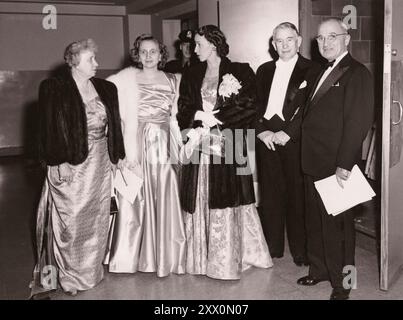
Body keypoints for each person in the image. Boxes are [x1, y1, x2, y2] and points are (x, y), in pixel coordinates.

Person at [30, 39, 125, 298]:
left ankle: (91, 271)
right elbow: (48, 128)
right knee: (70, 220)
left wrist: (118, 155)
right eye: (90, 59)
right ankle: (70, 276)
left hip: (101, 162)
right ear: (73, 62)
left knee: (96, 218)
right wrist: (57, 161)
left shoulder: (106, 88)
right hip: (70, 163)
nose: (97, 63)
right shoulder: (54, 88)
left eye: (95, 58)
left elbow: (114, 125)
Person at [177, 25, 272, 280]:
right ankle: (199, 259)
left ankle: (226, 260)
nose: (194, 50)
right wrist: (197, 116)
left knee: (229, 197)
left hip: (229, 143)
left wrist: (216, 118)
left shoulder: (240, 70)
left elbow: (250, 106)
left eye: (199, 44)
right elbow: (183, 107)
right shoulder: (192, 73)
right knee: (200, 195)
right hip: (199, 144)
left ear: (213, 44)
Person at [296, 19, 374, 300]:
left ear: (346, 39)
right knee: (315, 222)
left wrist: (345, 162)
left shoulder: (357, 73)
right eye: (320, 38)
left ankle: (344, 285)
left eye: (332, 36)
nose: (325, 43)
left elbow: (358, 123)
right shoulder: (318, 71)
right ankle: (318, 270)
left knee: (340, 230)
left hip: (335, 164)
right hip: (312, 161)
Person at [104, 34, 186, 277]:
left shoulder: (175, 79)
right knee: (133, 197)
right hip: (135, 143)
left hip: (163, 143)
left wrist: (181, 146)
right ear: (137, 55)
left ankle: (165, 256)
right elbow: (114, 118)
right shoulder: (124, 80)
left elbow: (176, 117)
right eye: (144, 52)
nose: (149, 56)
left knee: (166, 192)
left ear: (161, 54)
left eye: (153, 52)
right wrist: (122, 152)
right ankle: (129, 257)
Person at [254, 22, 320, 266]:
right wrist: (261, 132)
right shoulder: (262, 70)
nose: (284, 45)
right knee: (270, 195)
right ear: (273, 44)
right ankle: (273, 247)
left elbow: (309, 109)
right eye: (279, 41)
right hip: (266, 140)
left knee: (297, 195)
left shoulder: (312, 69)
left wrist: (288, 133)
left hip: (294, 141)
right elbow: (255, 105)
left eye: (289, 39)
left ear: (299, 40)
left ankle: (300, 250)